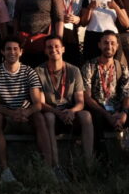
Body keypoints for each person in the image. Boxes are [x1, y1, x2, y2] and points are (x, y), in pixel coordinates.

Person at [0, 36, 52, 182]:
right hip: (6, 117)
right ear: (2, 52)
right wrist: (11, 113)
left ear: (21, 52)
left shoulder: (29, 72)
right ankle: (4, 170)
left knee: (40, 117)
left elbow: (38, 103)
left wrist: (26, 112)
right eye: (8, 49)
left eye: (15, 49)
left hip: (25, 117)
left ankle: (48, 168)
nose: (12, 52)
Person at [37, 35, 93, 164]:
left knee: (86, 115)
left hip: (69, 114)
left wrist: (72, 111)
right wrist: (58, 113)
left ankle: (89, 163)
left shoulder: (74, 70)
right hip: (52, 112)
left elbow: (80, 101)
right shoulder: (38, 71)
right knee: (49, 117)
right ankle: (55, 165)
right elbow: (40, 102)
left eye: (57, 46)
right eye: (49, 47)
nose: (53, 49)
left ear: (63, 49)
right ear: (45, 51)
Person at [81, 33, 129, 141]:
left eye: (112, 43)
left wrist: (124, 113)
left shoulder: (121, 68)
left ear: (117, 46)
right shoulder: (89, 66)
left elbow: (128, 95)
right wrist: (106, 114)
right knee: (95, 117)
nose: (109, 46)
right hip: (98, 110)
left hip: (117, 111)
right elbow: (87, 97)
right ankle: (100, 156)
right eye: (106, 43)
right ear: (99, 45)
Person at [13, 0, 65, 67]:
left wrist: (58, 40)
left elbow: (59, 18)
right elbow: (17, 15)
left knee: (42, 71)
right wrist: (15, 36)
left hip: (43, 41)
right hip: (24, 40)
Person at [79, 0, 128, 64]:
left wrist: (115, 7)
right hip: (93, 37)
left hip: (112, 38)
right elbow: (83, 22)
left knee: (113, 66)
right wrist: (90, 8)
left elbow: (126, 23)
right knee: (91, 66)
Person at [59, 0, 88, 68]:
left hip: (73, 33)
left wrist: (78, 19)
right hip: (57, 30)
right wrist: (60, 17)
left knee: (72, 65)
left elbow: (85, 17)